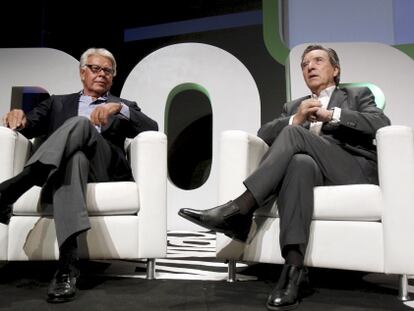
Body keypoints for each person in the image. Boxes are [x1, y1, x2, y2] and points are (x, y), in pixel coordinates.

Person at [179, 44, 391, 310]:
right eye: (304, 64)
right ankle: (293, 271)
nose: (310, 66)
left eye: (317, 61)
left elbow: (381, 124)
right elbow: (264, 134)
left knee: (293, 135)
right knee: (299, 163)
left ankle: (240, 209)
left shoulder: (357, 94)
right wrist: (297, 117)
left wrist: (333, 114)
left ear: (335, 70)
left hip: (351, 169)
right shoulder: (293, 105)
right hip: (313, 170)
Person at [0, 48, 158, 303]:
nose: (102, 74)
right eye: (95, 69)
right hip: (66, 170)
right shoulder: (57, 103)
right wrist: (17, 116)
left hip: (103, 169)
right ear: (82, 73)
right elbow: (28, 126)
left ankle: (15, 187)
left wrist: (118, 109)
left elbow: (152, 128)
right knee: (75, 159)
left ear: (113, 77)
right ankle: (67, 267)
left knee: (81, 124)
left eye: (108, 71)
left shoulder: (123, 105)